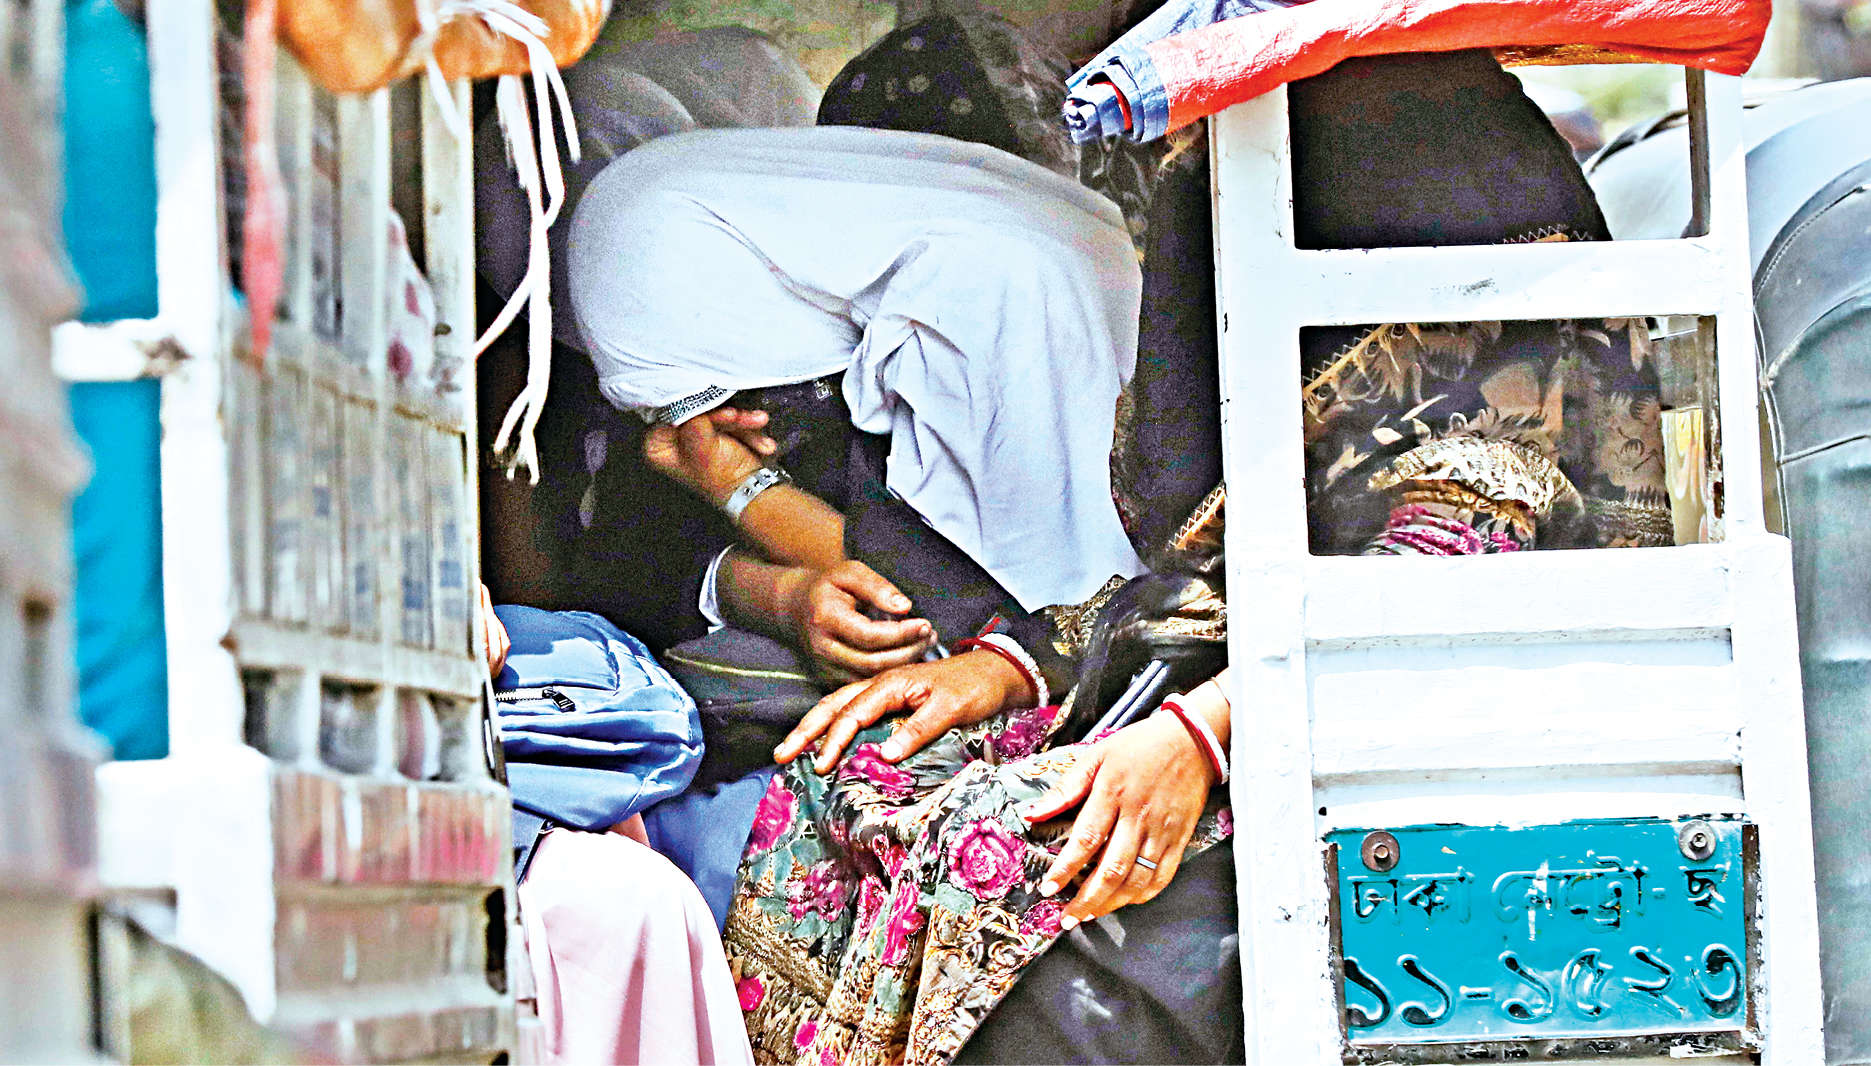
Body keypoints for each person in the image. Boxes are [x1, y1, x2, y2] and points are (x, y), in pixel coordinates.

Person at [694, 46, 1671, 1066]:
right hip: (1252, 701)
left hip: (1404, 755)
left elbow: (1414, 603)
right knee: (860, 774)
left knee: (1018, 865)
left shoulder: (1492, 371)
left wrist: (1197, 739)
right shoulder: (1320, 363)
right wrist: (1013, 665)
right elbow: (1214, 590)